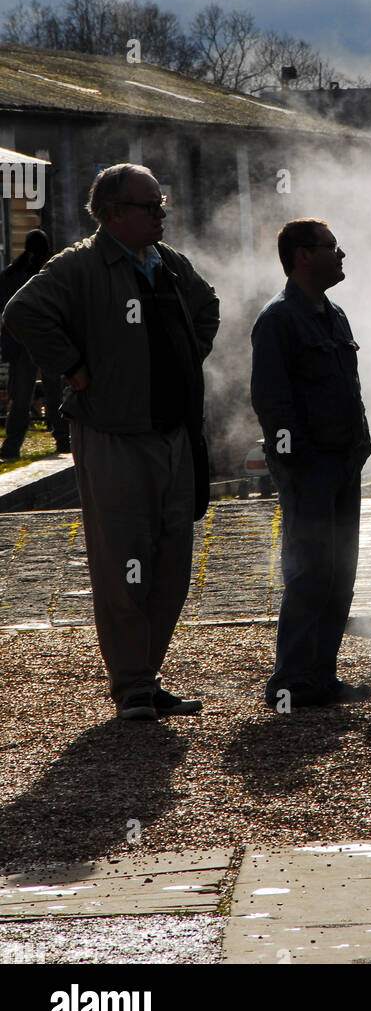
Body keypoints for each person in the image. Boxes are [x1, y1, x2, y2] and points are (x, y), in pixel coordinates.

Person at [2, 164, 219, 721]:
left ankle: (148, 674)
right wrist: (72, 367)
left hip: (173, 433)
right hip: (114, 437)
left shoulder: (167, 264)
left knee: (172, 561)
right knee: (125, 562)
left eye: (161, 202)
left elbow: (207, 306)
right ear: (114, 212)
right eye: (150, 205)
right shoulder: (79, 266)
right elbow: (22, 312)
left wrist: (182, 359)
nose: (161, 213)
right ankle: (132, 686)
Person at [250, 218, 371, 710]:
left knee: (340, 572)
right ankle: (291, 681)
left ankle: (321, 676)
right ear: (303, 256)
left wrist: (358, 448)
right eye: (331, 247)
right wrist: (294, 463)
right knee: (309, 572)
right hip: (310, 468)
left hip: (343, 462)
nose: (340, 254)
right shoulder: (279, 319)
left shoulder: (334, 313)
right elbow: (271, 400)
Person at [0, 229, 69, 459]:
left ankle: (12, 446)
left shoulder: (12, 274)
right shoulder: (50, 272)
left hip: (28, 343)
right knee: (51, 394)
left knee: (24, 397)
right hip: (41, 342)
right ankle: (62, 439)